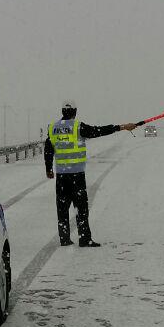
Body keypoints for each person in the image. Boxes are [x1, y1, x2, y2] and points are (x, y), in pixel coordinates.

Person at [44, 102, 137, 247]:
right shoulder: (77, 127)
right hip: (77, 175)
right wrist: (122, 127)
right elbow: (98, 131)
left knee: (62, 208)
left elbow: (48, 150)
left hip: (62, 176)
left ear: (63, 111)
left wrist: (48, 169)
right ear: (75, 112)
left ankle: (64, 238)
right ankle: (84, 238)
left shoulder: (53, 128)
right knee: (81, 208)